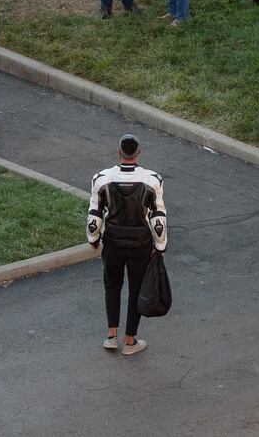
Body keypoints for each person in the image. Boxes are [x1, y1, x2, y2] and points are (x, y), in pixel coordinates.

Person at [87, 134, 168, 358]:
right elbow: (158, 217)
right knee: (135, 290)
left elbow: (94, 214)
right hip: (140, 243)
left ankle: (111, 336)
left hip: (112, 241)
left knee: (112, 286)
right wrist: (160, 245)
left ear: (118, 152)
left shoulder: (101, 179)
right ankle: (130, 341)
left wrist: (93, 238)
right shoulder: (153, 180)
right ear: (139, 152)